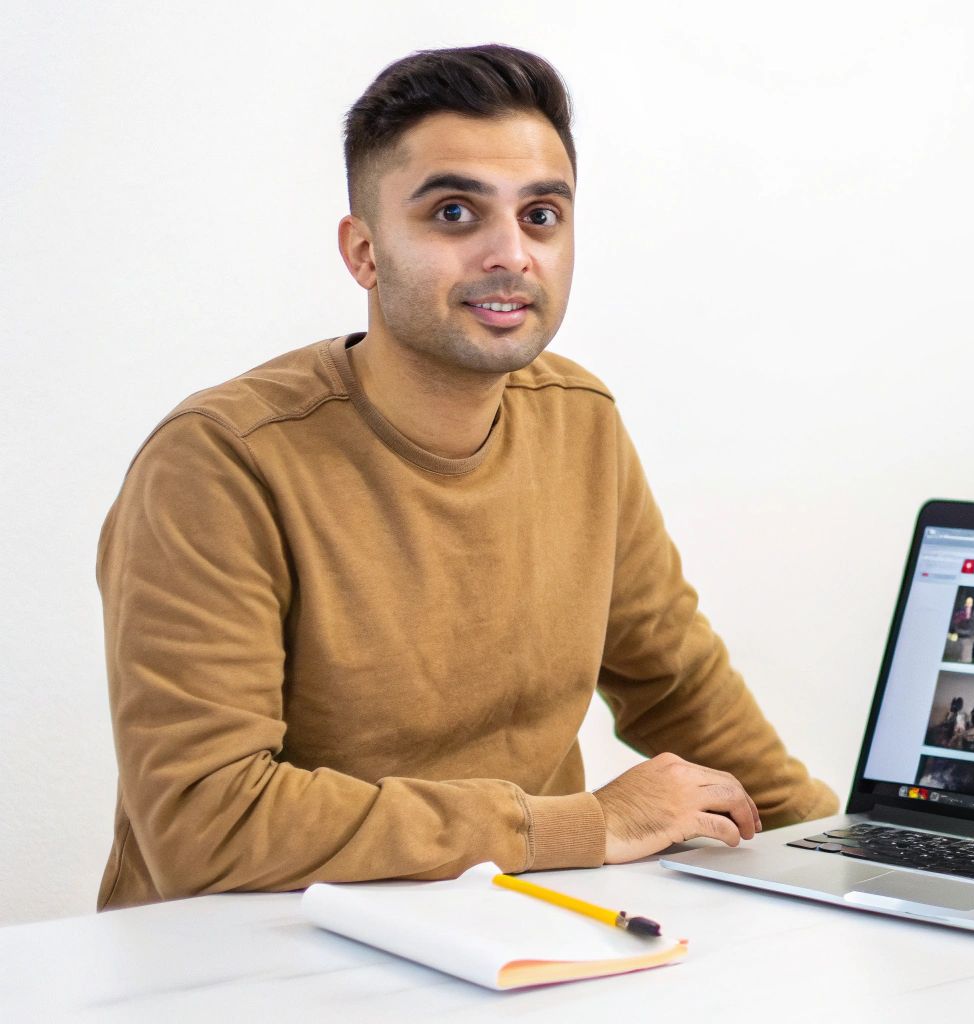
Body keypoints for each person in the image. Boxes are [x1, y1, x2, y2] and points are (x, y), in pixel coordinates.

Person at [92, 45, 838, 912]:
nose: (510, 254)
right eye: (454, 212)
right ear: (364, 252)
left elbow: (678, 685)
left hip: (511, 934)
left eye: (542, 216)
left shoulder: (580, 419)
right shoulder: (219, 463)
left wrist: (840, 847)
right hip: (249, 959)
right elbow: (205, 823)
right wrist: (577, 827)